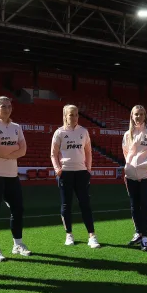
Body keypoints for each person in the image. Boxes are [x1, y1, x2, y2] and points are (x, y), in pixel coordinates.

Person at [0, 96, 30, 262]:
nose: (7, 109)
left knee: (18, 209)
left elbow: (23, 150)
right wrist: (14, 148)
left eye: (9, 106)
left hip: (11, 175)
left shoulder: (17, 127)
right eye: (3, 106)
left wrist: (6, 151)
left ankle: (18, 244)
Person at [51, 104, 100, 248]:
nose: (74, 117)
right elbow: (53, 154)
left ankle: (92, 236)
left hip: (81, 173)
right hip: (65, 173)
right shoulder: (59, 133)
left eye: (77, 114)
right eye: (71, 114)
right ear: (65, 116)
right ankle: (69, 235)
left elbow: (88, 152)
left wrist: (88, 169)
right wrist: (58, 170)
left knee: (85, 204)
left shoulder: (83, 132)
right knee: (66, 205)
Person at [123, 105, 147, 252]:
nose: (138, 117)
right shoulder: (128, 134)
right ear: (132, 116)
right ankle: (138, 233)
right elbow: (126, 153)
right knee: (134, 206)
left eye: (141, 114)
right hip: (131, 175)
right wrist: (130, 166)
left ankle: (145, 238)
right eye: (135, 114)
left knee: (145, 206)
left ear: (145, 116)